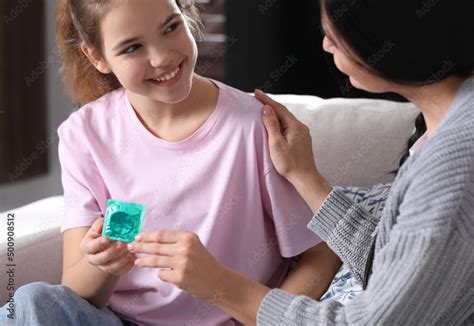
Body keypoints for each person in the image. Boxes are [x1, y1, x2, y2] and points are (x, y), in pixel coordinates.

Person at [117, 0, 474, 324]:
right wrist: (305, 177)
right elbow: (395, 271)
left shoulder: (450, 169)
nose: (325, 45)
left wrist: (220, 285)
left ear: (385, 38)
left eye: (334, 36)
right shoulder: (448, 129)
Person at [0, 0, 342, 325]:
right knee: (32, 302)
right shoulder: (84, 135)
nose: (162, 57)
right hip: (117, 320)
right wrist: (103, 264)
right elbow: (75, 294)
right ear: (97, 57)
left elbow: (322, 255)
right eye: (132, 47)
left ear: (186, 15)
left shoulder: (253, 127)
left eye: (170, 27)